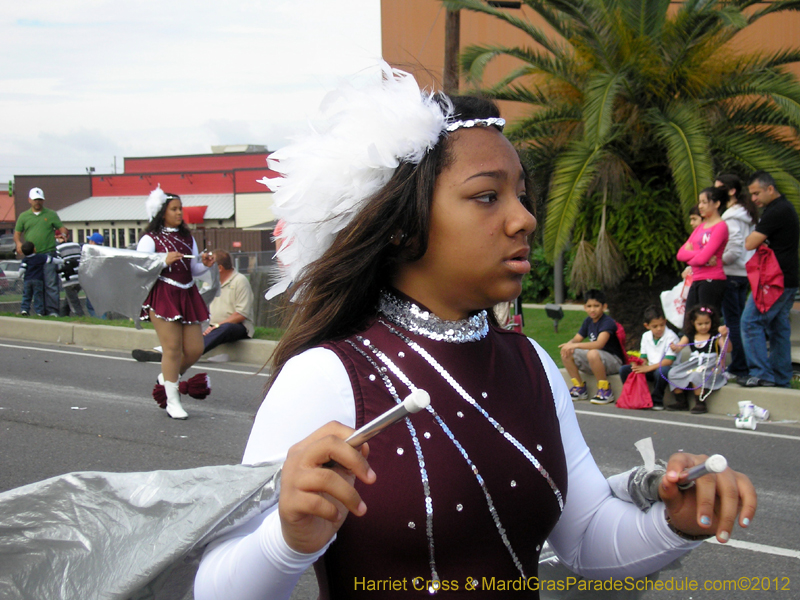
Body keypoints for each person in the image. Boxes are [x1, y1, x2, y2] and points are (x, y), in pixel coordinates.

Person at [193, 66, 756, 600]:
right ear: (402, 225)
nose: (524, 218)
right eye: (488, 196)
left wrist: (678, 520)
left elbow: (585, 539)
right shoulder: (328, 376)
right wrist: (285, 542)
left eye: (520, 195)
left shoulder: (533, 364)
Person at [136, 186, 214, 419]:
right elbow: (139, 268)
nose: (180, 213)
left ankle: (167, 378)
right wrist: (163, 260)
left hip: (187, 294)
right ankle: (172, 400)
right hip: (163, 295)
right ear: (162, 212)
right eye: (174, 209)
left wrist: (206, 264)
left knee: (195, 349)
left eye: (181, 209)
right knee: (171, 349)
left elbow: (194, 269)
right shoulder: (150, 239)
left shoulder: (187, 238)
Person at [131, 249, 254, 362]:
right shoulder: (209, 281)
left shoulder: (239, 281)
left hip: (235, 326)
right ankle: (161, 350)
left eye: (210, 263)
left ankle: (184, 354)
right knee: (188, 326)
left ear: (220, 268)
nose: (206, 267)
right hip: (211, 325)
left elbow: (241, 314)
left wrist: (216, 325)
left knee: (225, 328)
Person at [739, 171, 800, 388]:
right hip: (789, 278)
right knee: (778, 326)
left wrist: (757, 239)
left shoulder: (776, 211)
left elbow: (749, 243)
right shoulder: (785, 208)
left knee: (749, 322)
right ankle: (782, 378)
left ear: (770, 189)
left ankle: (762, 374)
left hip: (775, 280)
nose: (753, 199)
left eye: (756, 193)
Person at [715, 174, 758, 382]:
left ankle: (740, 365)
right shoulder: (746, 214)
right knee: (740, 320)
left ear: (731, 191)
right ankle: (745, 363)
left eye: (719, 189)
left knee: (733, 322)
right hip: (744, 273)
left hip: (731, 273)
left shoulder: (731, 217)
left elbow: (733, 250)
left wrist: (713, 260)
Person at [559, 288, 625, 405]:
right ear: (585, 307)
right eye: (589, 306)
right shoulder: (588, 321)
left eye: (596, 306)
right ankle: (579, 387)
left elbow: (599, 344)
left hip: (614, 362)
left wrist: (575, 345)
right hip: (596, 360)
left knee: (592, 352)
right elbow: (577, 338)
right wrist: (569, 345)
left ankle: (605, 390)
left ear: (604, 307)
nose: (592, 309)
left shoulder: (607, 322)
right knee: (567, 352)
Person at [666, 304, 731, 414]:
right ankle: (681, 400)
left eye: (707, 323)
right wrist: (675, 347)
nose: (703, 327)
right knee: (673, 372)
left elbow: (727, 349)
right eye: (700, 324)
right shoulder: (690, 335)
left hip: (710, 364)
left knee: (697, 374)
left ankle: (700, 402)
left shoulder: (715, 335)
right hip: (694, 363)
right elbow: (679, 346)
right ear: (693, 323)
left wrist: (724, 336)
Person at [14, 187, 69, 316]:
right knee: (35, 284)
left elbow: (62, 228)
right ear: (29, 200)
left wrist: (64, 234)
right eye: (35, 200)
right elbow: (17, 234)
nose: (37, 202)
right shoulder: (24, 216)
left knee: (50, 283)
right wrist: (18, 244)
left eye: (39, 200)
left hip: (48, 253)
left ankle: (52, 311)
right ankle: (38, 310)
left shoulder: (51, 214)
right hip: (32, 256)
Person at [677, 186, 728, 313]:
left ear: (716, 204)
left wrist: (695, 256)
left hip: (711, 279)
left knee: (706, 321)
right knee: (690, 321)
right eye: (700, 202)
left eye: (704, 202)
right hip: (696, 279)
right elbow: (680, 255)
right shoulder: (700, 227)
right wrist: (702, 255)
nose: (700, 206)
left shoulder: (720, 226)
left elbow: (700, 259)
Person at [618, 304, 680, 411]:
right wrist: (638, 364)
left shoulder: (671, 336)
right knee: (624, 370)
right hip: (651, 368)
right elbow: (644, 357)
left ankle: (657, 400)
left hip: (667, 369)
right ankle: (632, 396)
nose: (659, 329)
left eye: (661, 325)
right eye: (655, 326)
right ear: (647, 326)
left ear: (665, 322)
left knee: (661, 371)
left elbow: (668, 361)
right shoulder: (646, 336)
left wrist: (646, 368)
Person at [18, 241, 60, 316]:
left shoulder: (25, 260)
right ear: (34, 249)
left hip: (27, 280)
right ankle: (39, 311)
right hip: (38, 280)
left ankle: (24, 309)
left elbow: (22, 269)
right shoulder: (40, 257)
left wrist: (19, 276)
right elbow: (52, 260)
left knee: (26, 295)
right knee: (38, 296)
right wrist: (62, 261)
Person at [55, 232, 84, 316]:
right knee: (68, 301)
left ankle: (80, 317)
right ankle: (63, 316)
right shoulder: (77, 245)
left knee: (74, 303)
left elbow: (58, 263)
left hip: (68, 280)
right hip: (79, 278)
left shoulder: (58, 248)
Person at [84, 233, 104, 317]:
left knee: (92, 306)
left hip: (93, 284)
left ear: (93, 242)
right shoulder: (103, 252)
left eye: (90, 240)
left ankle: (102, 322)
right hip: (103, 284)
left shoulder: (91, 253)